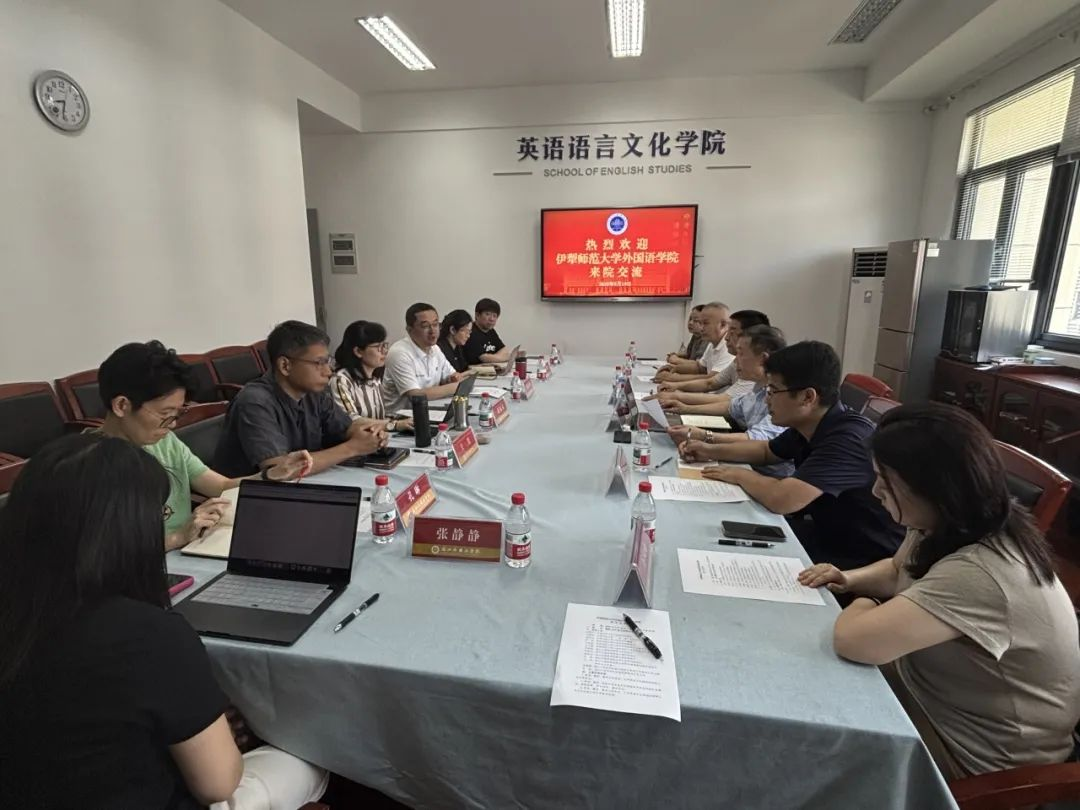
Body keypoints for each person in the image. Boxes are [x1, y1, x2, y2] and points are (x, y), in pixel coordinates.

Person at [0, 434, 328, 809]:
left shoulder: (20, 614)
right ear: (132, 530)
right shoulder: (148, 634)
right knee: (308, 756)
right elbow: (217, 784)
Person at [798, 404, 1080, 779]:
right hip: (929, 695)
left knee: (808, 736)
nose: (875, 490)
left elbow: (854, 641)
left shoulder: (981, 570)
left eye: (885, 481)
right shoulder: (947, 522)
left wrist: (873, 601)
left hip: (975, 756)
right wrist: (849, 579)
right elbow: (899, 568)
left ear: (934, 488)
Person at [680, 341, 903, 568]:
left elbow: (782, 499)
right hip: (827, 532)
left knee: (729, 557)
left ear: (807, 397)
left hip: (861, 556)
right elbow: (766, 451)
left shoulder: (848, 439)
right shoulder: (811, 422)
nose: (766, 399)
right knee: (712, 534)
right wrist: (708, 449)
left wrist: (737, 474)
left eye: (773, 391)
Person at [97, 341, 312, 551]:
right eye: (165, 414)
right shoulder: (89, 465)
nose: (172, 424)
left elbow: (221, 486)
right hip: (146, 564)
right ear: (122, 405)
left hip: (186, 551)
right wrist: (178, 536)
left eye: (177, 414)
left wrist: (271, 475)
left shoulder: (165, 442)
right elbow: (107, 553)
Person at [213, 320, 387, 478]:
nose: (328, 371)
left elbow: (346, 428)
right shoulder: (254, 402)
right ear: (285, 365)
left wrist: (371, 434)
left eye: (328, 362)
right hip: (249, 496)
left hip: (302, 484)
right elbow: (279, 470)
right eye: (319, 363)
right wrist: (353, 448)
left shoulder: (313, 392)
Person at [667, 326, 793, 478]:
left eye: (741, 353)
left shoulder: (783, 395)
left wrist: (704, 436)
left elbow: (757, 441)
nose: (734, 360)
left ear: (763, 359)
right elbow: (731, 406)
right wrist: (684, 408)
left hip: (770, 477)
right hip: (747, 466)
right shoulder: (759, 388)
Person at [650, 310, 770, 412]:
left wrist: (677, 395)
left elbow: (726, 401)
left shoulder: (753, 370)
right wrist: (675, 389)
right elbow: (711, 383)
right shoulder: (737, 360)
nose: (727, 337)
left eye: (732, 332)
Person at [330, 320, 414, 433]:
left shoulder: (375, 378)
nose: (384, 351)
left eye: (384, 345)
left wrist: (401, 420)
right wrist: (394, 425)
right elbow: (351, 420)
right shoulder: (341, 380)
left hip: (379, 436)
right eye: (378, 347)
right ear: (358, 351)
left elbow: (378, 418)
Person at [382, 303, 465, 412]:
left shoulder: (435, 348)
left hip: (432, 409)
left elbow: (452, 375)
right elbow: (415, 396)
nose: (432, 330)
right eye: (425, 326)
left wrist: (453, 378)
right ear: (409, 330)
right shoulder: (399, 353)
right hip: (401, 416)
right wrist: (456, 387)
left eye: (435, 324)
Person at [653, 302, 733, 384]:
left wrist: (673, 378)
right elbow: (700, 368)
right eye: (700, 323)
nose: (701, 328)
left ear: (722, 325)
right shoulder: (712, 343)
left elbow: (713, 379)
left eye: (705, 323)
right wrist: (675, 368)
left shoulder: (729, 346)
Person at [463, 297, 510, 366]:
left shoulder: (491, 331)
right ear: (477, 315)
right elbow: (484, 358)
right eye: (487, 314)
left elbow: (504, 349)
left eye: (495, 316)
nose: (492, 319)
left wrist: (496, 358)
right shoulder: (470, 331)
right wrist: (506, 357)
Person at [437, 309, 474, 373]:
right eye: (465, 331)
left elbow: (464, 368)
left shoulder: (458, 347)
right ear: (452, 330)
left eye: (469, 332)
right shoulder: (440, 349)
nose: (468, 336)